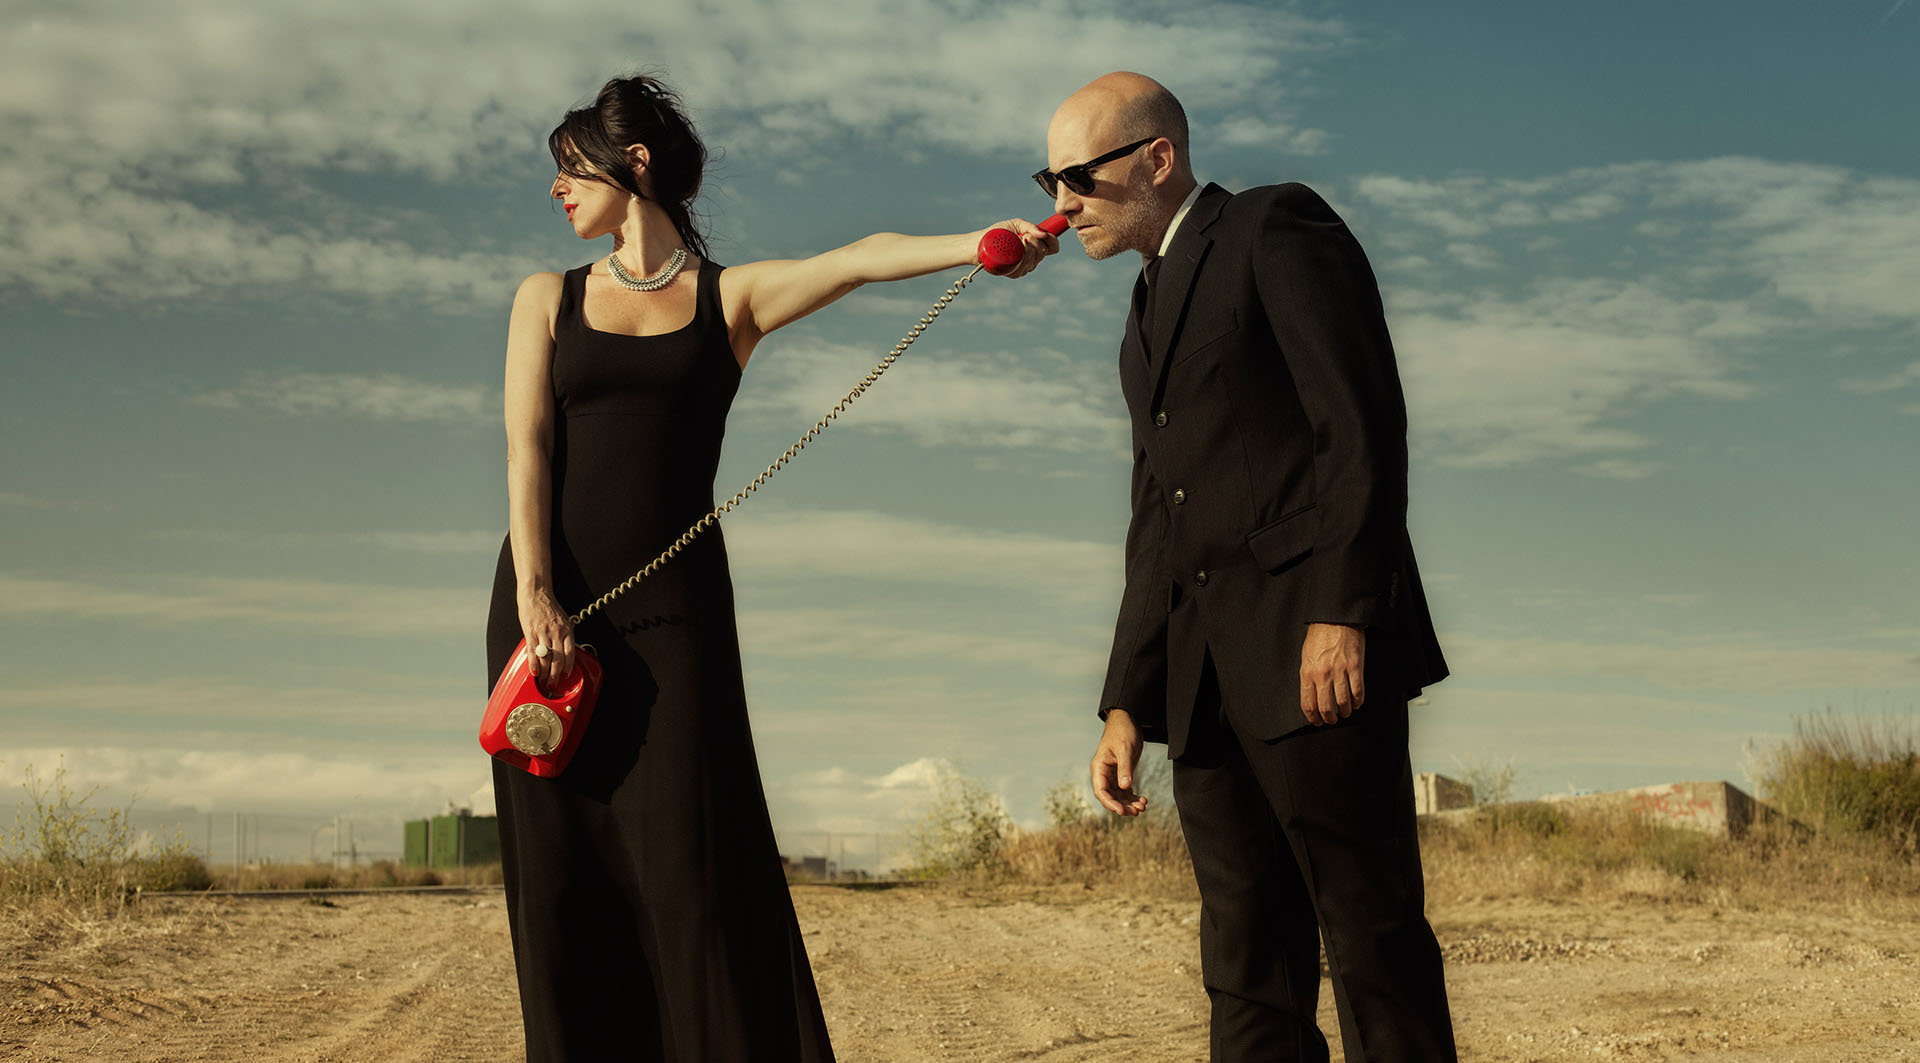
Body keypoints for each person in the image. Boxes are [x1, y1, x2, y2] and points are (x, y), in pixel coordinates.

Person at [484, 73, 1056, 1063]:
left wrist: (979, 241)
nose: (556, 188)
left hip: (676, 618)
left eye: (570, 165)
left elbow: (856, 261)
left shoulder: (729, 299)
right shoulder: (546, 298)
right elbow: (525, 447)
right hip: (548, 615)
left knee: (695, 873)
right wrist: (537, 590)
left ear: (635, 162)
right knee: (562, 879)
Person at [1055, 73, 1457, 1061]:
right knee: (1245, 966)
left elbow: (1358, 424)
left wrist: (1344, 610)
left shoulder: (1275, 227)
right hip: (1203, 687)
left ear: (1158, 159)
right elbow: (1156, 521)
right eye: (1048, 179)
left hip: (1315, 655)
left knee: (1371, 944)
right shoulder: (1141, 316)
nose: (1061, 203)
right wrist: (1127, 700)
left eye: (1079, 176)